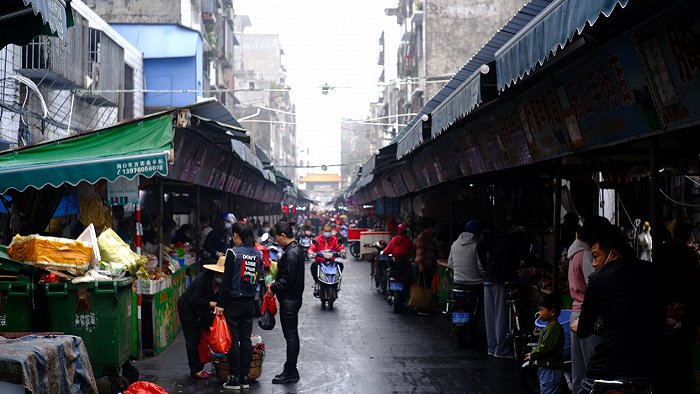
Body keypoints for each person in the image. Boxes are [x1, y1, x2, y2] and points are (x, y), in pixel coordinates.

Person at [572, 225, 665, 393]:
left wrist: (581, 325)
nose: (593, 263)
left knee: (584, 388)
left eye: (595, 256)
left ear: (613, 254)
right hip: (654, 367)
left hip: (610, 369)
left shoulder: (598, 280)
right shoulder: (654, 272)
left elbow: (584, 330)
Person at [484, 224, 549, 358]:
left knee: (491, 315)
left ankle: (492, 347)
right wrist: (548, 265)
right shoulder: (517, 241)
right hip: (502, 279)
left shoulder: (503, 239)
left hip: (489, 278)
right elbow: (528, 258)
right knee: (501, 315)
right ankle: (501, 350)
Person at [215, 221, 264, 390]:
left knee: (233, 340)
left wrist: (220, 304)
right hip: (250, 303)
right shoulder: (258, 254)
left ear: (236, 235)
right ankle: (245, 377)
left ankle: (234, 378)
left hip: (233, 303)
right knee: (245, 340)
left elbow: (226, 282)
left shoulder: (232, 253)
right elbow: (259, 279)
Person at [566, 216, 608, 394]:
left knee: (580, 372)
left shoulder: (574, 253)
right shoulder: (586, 255)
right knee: (592, 370)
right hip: (587, 316)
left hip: (576, 313)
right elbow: (596, 285)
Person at [266, 221, 305, 384]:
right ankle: (290, 369)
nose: (277, 242)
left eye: (277, 238)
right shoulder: (295, 249)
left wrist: (272, 287)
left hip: (290, 299)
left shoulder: (291, 253)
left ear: (283, 235)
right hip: (293, 299)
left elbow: (287, 280)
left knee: (290, 336)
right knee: (291, 335)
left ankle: (290, 371)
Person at [177, 256, 224, 379]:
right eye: (220, 273)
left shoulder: (224, 284)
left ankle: (201, 365)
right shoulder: (202, 279)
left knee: (204, 336)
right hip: (187, 308)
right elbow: (195, 300)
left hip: (202, 311)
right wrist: (214, 304)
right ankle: (195, 369)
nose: (221, 276)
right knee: (192, 338)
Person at [525, 295, 565, 394]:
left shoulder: (553, 329)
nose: (539, 312)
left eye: (541, 310)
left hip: (550, 368)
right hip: (547, 367)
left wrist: (532, 354)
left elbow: (545, 348)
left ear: (552, 312)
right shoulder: (550, 327)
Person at [447, 220, 485, 319]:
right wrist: (484, 276)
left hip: (458, 282)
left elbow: (450, 264)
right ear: (477, 233)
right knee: (480, 305)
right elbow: (480, 267)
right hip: (475, 284)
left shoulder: (455, 244)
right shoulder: (477, 245)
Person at [309, 223, 345, 297]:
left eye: (329, 231)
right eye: (326, 231)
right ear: (322, 231)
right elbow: (312, 248)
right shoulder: (317, 239)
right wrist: (311, 253)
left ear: (331, 231)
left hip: (331, 261)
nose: (327, 232)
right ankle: (316, 282)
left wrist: (342, 252)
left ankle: (336, 284)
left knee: (340, 265)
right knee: (314, 266)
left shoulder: (335, 239)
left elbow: (339, 247)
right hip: (320, 261)